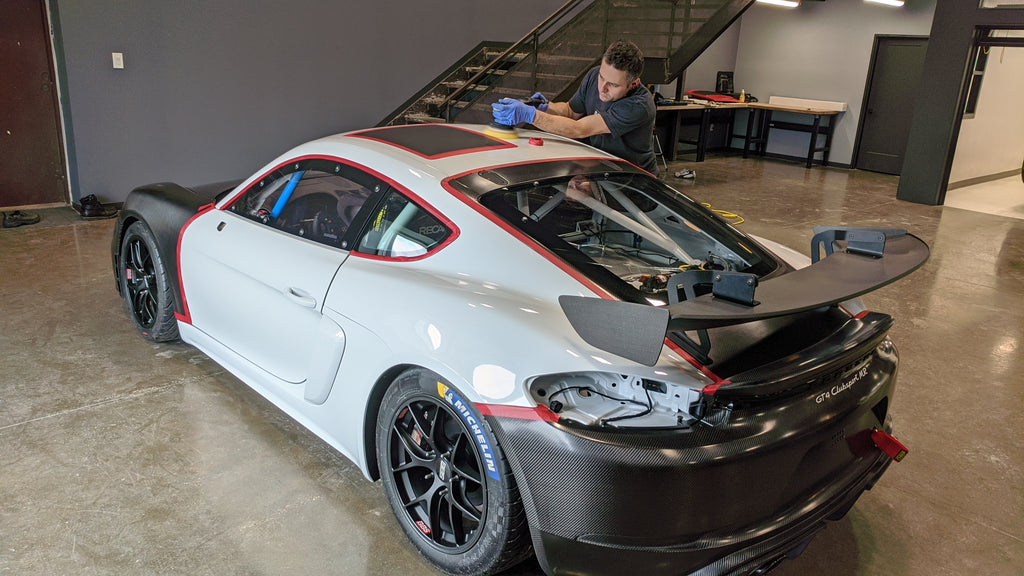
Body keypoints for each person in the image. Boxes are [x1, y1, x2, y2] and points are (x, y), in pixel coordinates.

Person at [492, 40, 659, 175]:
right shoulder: (594, 75)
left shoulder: (639, 106)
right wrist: (545, 107)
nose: (602, 88)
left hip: (635, 181)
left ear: (633, 83)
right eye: (602, 77)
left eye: (613, 85)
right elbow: (571, 111)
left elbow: (580, 129)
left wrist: (531, 115)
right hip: (604, 170)